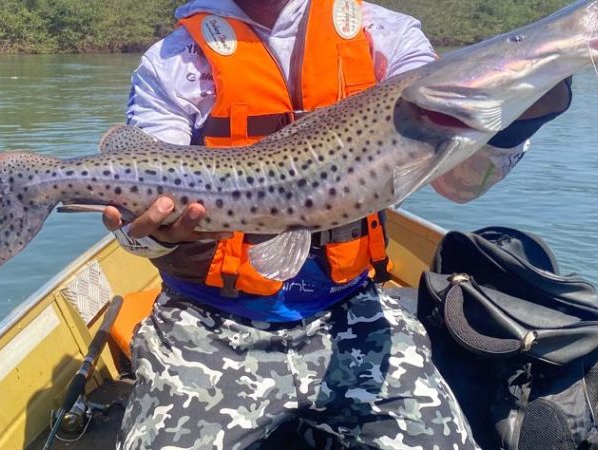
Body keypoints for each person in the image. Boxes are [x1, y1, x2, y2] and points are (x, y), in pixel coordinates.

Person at [106, 1, 572, 449]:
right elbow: (137, 211)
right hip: (207, 320)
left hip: (352, 309)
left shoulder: (389, 37)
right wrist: (145, 235)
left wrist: (520, 118)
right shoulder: (169, 62)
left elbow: (458, 185)